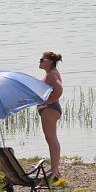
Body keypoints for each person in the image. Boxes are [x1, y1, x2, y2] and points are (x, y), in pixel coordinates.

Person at [38, 51, 64, 180]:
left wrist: (50, 101)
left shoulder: (52, 74)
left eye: (42, 60)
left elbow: (59, 89)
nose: (40, 62)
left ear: (50, 61)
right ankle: (55, 168)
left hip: (50, 110)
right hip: (49, 109)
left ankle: (54, 170)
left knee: (51, 139)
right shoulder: (50, 74)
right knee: (51, 139)